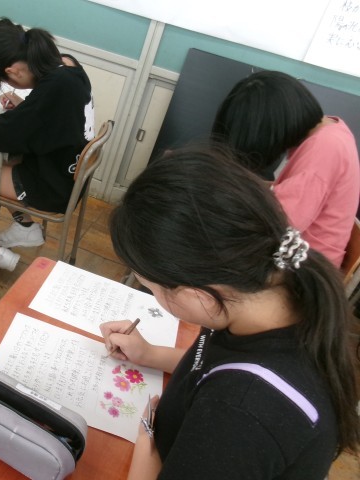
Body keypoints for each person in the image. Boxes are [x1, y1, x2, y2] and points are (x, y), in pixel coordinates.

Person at [101, 146, 359, 479]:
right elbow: (210, 365)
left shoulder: (241, 415)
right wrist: (150, 354)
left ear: (199, 296)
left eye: (151, 288)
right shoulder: (259, 292)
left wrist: (145, 444)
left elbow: (231, 393)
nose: (155, 298)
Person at [0, 17, 95, 271]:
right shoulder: (67, 66)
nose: (11, 85)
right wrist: (24, 106)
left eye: (6, 81)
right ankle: (25, 225)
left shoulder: (55, 85)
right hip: (65, 173)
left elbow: (3, 136)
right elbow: (55, 118)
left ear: (13, 71)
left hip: (51, 186)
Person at [211, 70, 360, 267]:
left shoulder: (324, 149)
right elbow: (295, 194)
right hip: (300, 253)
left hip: (305, 269)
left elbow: (276, 224)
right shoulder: (331, 130)